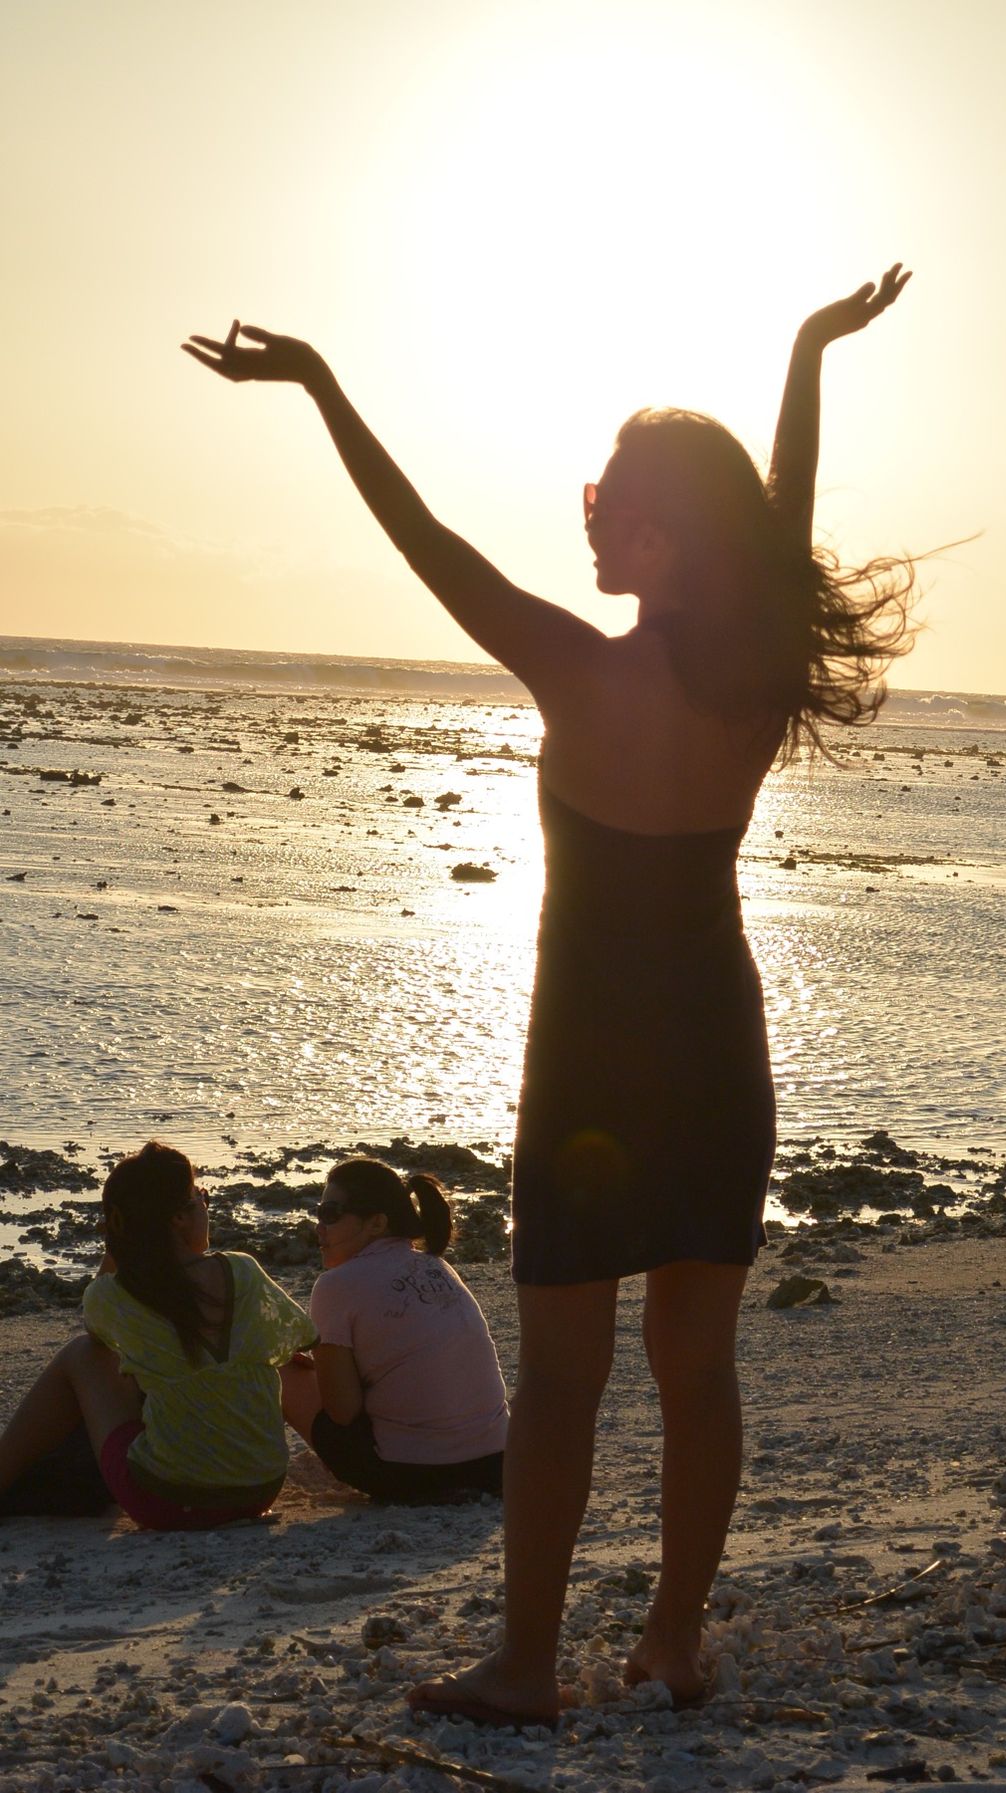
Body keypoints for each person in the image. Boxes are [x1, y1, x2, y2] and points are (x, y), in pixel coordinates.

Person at [183, 263, 914, 1720]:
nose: (588, 507)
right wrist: (807, 354)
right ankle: (672, 1640)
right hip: (717, 1049)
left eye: (614, 494)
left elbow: (423, 540)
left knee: (572, 1382)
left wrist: (324, 384)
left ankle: (530, 1663)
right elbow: (784, 518)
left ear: (667, 534)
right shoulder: (757, 674)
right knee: (695, 1370)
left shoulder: (576, 669)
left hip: (588, 1069)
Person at [0, 1141, 317, 1530]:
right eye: (200, 1196)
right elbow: (299, 1338)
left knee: (82, 1354)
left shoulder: (112, 1296)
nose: (205, 1204)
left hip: (165, 1500)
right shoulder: (244, 1272)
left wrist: (124, 1246)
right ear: (178, 1219)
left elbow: (99, 1335)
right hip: (259, 1489)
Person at [279, 1158, 507, 1503]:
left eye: (330, 1214)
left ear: (377, 1223)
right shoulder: (437, 1265)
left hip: (413, 1474)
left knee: (285, 1371)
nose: (318, 1227)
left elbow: (343, 1411)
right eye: (318, 1212)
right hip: (498, 1462)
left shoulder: (335, 1285)